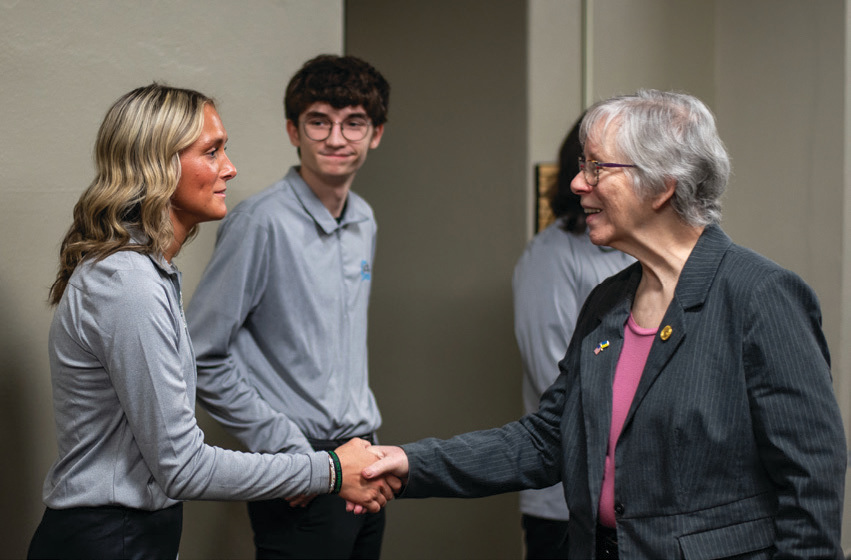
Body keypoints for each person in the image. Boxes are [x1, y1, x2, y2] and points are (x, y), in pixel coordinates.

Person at [359, 89, 847, 558]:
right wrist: (410, 463)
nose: (577, 183)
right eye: (581, 166)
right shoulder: (607, 302)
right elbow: (546, 440)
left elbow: (811, 480)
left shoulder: (760, 297)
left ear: (661, 185)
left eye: (596, 167)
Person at [27, 84, 395, 560]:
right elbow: (183, 467)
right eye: (212, 151)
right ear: (158, 164)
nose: (230, 167)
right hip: (108, 537)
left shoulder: (148, 273)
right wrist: (328, 470)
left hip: (136, 532)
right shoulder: (128, 283)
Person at [186, 55, 389, 559]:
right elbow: (200, 354)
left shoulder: (364, 218)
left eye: (354, 124)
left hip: (366, 454)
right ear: (293, 130)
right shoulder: (260, 222)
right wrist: (288, 451)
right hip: (303, 462)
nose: (337, 139)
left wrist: (366, 451)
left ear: (376, 134)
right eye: (319, 121)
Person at [514, 116, 633, 559]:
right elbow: (556, 384)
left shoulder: (634, 255)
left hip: (635, 503)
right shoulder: (550, 255)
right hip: (565, 502)